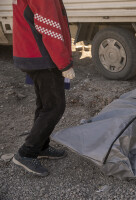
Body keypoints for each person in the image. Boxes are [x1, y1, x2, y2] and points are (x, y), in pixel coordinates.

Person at [12, 0, 75, 176]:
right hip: (43, 56)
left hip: (30, 53)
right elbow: (49, 26)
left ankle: (41, 146)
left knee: (45, 105)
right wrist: (64, 63)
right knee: (54, 106)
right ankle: (27, 152)